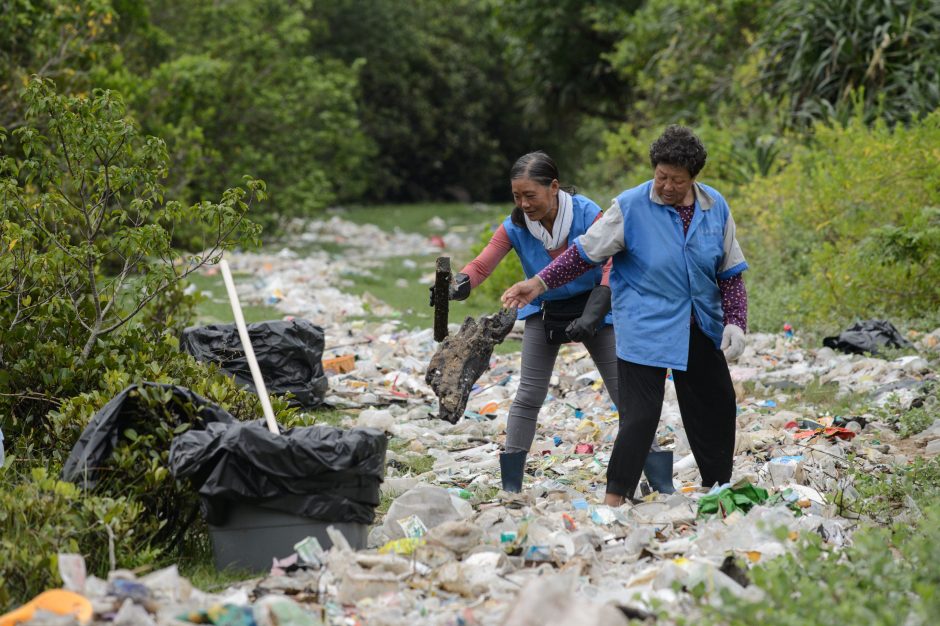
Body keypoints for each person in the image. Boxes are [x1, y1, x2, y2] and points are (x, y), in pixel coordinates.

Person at [502, 126, 748, 505]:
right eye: (661, 176)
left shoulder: (714, 207)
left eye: (677, 180)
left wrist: (736, 322)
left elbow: (730, 272)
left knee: (716, 406)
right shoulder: (631, 206)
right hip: (645, 323)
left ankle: (717, 490)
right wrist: (538, 284)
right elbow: (585, 253)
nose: (666, 186)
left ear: (694, 178)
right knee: (639, 416)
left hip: (699, 321)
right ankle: (614, 499)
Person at [438, 151, 667, 493]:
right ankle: (511, 488)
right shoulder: (515, 226)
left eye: (531, 195)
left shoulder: (589, 214)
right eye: (517, 196)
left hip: (596, 306)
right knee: (528, 394)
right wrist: (455, 287)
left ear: (554, 187)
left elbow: (610, 264)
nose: (524, 204)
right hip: (545, 310)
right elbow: (482, 266)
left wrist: (594, 313)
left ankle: (660, 482)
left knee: (625, 394)